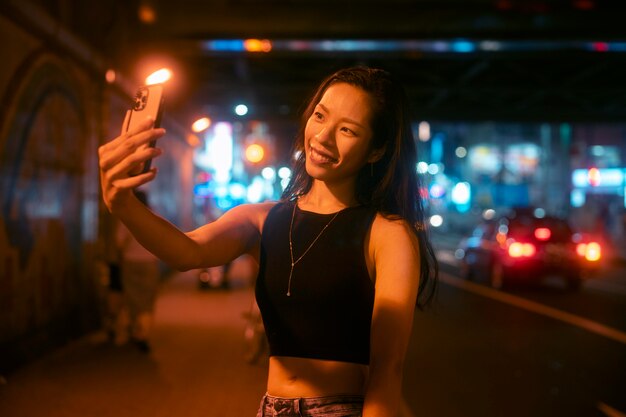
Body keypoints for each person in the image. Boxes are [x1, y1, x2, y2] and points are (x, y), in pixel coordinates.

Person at [99, 66, 438, 416]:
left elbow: (387, 370)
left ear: (376, 151)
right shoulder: (261, 219)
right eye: (320, 116)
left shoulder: (388, 234)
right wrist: (122, 205)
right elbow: (187, 252)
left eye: (348, 130)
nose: (322, 137)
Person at [114, 190, 161, 353]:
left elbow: (119, 242)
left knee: (133, 298)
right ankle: (143, 335)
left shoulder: (127, 217)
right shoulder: (154, 217)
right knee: (147, 300)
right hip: (149, 262)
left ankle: (136, 331)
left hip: (131, 262)